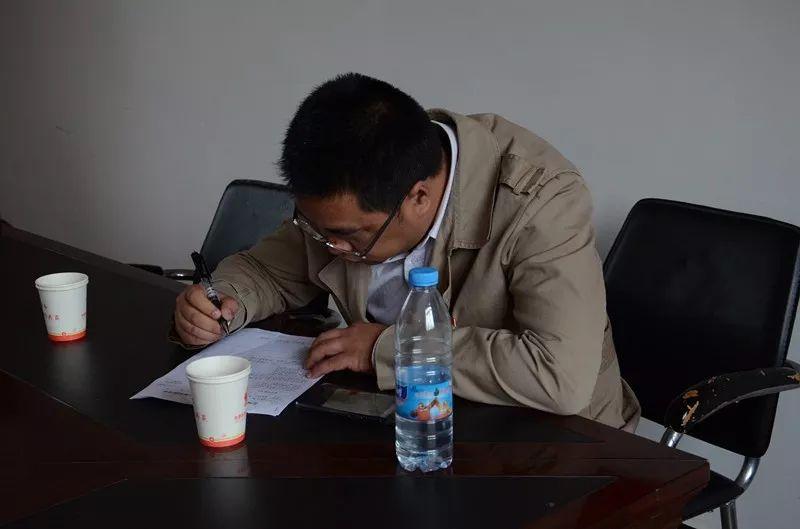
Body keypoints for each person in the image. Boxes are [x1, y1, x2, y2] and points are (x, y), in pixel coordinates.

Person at [173, 73, 640, 430]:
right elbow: (265, 271)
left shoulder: (541, 199)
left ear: (418, 196)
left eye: (348, 236)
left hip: (563, 445)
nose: (331, 247)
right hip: (416, 423)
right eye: (317, 230)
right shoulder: (357, 187)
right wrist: (222, 303)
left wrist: (389, 348)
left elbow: (560, 376)